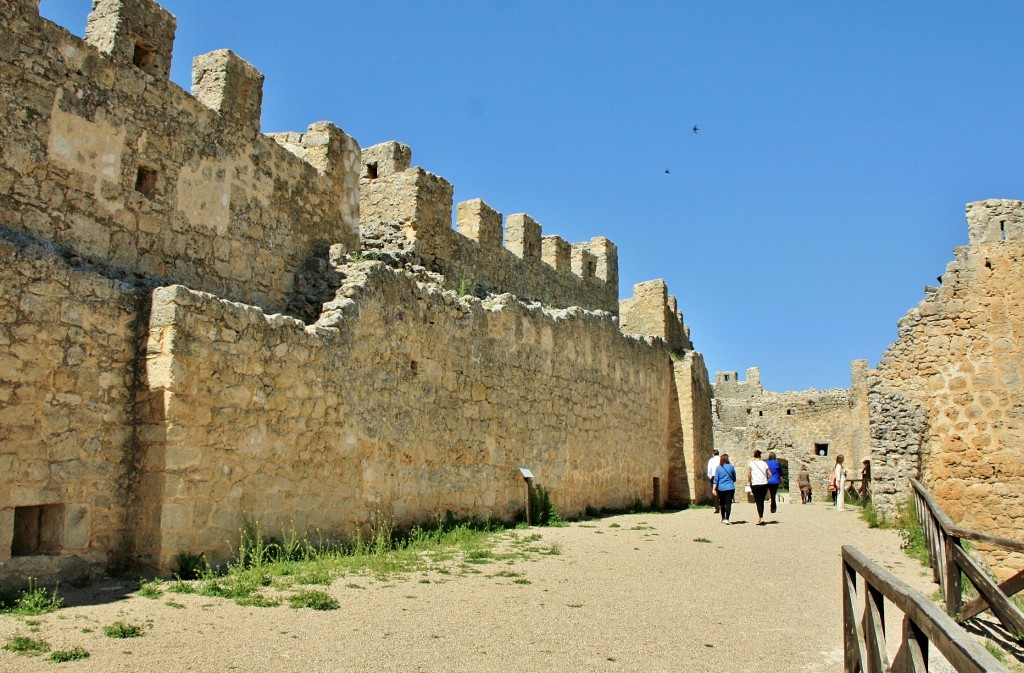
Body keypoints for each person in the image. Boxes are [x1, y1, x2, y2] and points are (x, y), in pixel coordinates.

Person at [712, 453, 737, 524]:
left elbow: (716, 480)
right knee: (728, 504)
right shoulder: (731, 467)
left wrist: (714, 489)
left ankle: (723, 518)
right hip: (730, 488)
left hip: (721, 488)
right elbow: (734, 478)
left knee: (722, 503)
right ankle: (727, 519)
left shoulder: (718, 468)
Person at [747, 449, 770, 525]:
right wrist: (766, 479)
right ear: (760, 455)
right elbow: (770, 474)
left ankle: (761, 517)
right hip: (764, 484)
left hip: (755, 484)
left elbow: (749, 475)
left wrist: (750, 481)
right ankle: (761, 517)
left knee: (758, 502)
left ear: (754, 455)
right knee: (762, 501)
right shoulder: (764, 463)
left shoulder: (751, 464)